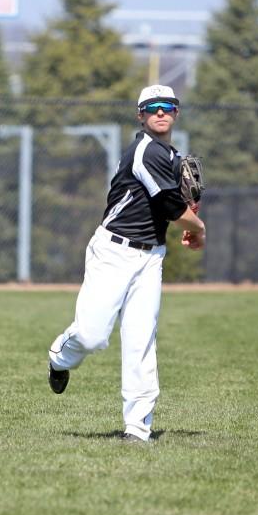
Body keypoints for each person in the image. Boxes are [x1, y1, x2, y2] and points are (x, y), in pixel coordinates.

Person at [46, 84, 206, 444]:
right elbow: (168, 204)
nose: (160, 112)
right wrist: (199, 228)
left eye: (167, 106)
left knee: (140, 341)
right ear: (141, 115)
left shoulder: (172, 156)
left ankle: (138, 427)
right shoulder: (145, 152)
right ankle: (59, 357)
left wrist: (189, 223)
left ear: (176, 113)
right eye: (152, 108)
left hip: (150, 258)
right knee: (91, 335)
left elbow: (176, 202)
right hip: (113, 253)